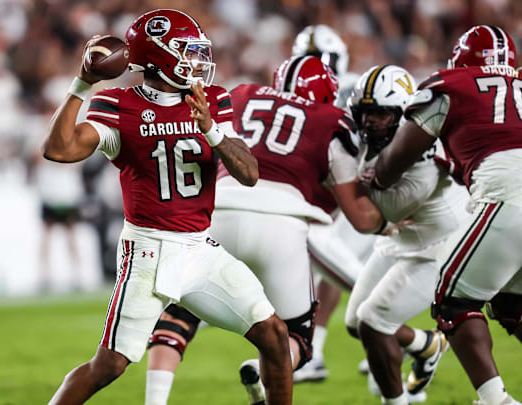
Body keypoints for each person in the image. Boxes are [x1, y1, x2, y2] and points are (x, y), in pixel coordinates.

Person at [44, 9, 294, 405]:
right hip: (148, 251)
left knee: (275, 335)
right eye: (188, 51)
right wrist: (82, 84)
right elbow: (58, 149)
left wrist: (211, 129)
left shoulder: (210, 100)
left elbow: (248, 174)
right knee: (108, 365)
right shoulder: (117, 104)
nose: (198, 62)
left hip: (201, 248)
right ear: (161, 56)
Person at [144, 56, 393, 405]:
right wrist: (391, 224)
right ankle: (263, 373)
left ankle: (154, 401)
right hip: (281, 226)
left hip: (219, 214)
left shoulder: (244, 95)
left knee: (179, 314)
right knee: (294, 339)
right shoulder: (331, 120)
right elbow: (359, 217)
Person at [373, 25, 522, 405]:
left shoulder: (450, 84)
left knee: (453, 301)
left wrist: (373, 172)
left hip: (508, 189)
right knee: (511, 303)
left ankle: (495, 400)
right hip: (509, 188)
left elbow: (392, 165)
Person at [345, 64, 469, 404]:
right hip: (397, 240)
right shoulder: (365, 136)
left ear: (403, 114)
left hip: (438, 245)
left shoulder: (422, 147)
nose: (370, 122)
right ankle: (426, 345)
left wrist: (341, 182)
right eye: (365, 113)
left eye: (381, 114)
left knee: (373, 323)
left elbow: (386, 211)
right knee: (355, 322)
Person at [290, 24, 377, 381]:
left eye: (324, 60)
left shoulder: (356, 85)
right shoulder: (296, 90)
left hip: (360, 188)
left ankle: (397, 340)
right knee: (327, 269)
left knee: (339, 268)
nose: (319, 67)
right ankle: (318, 352)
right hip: (333, 191)